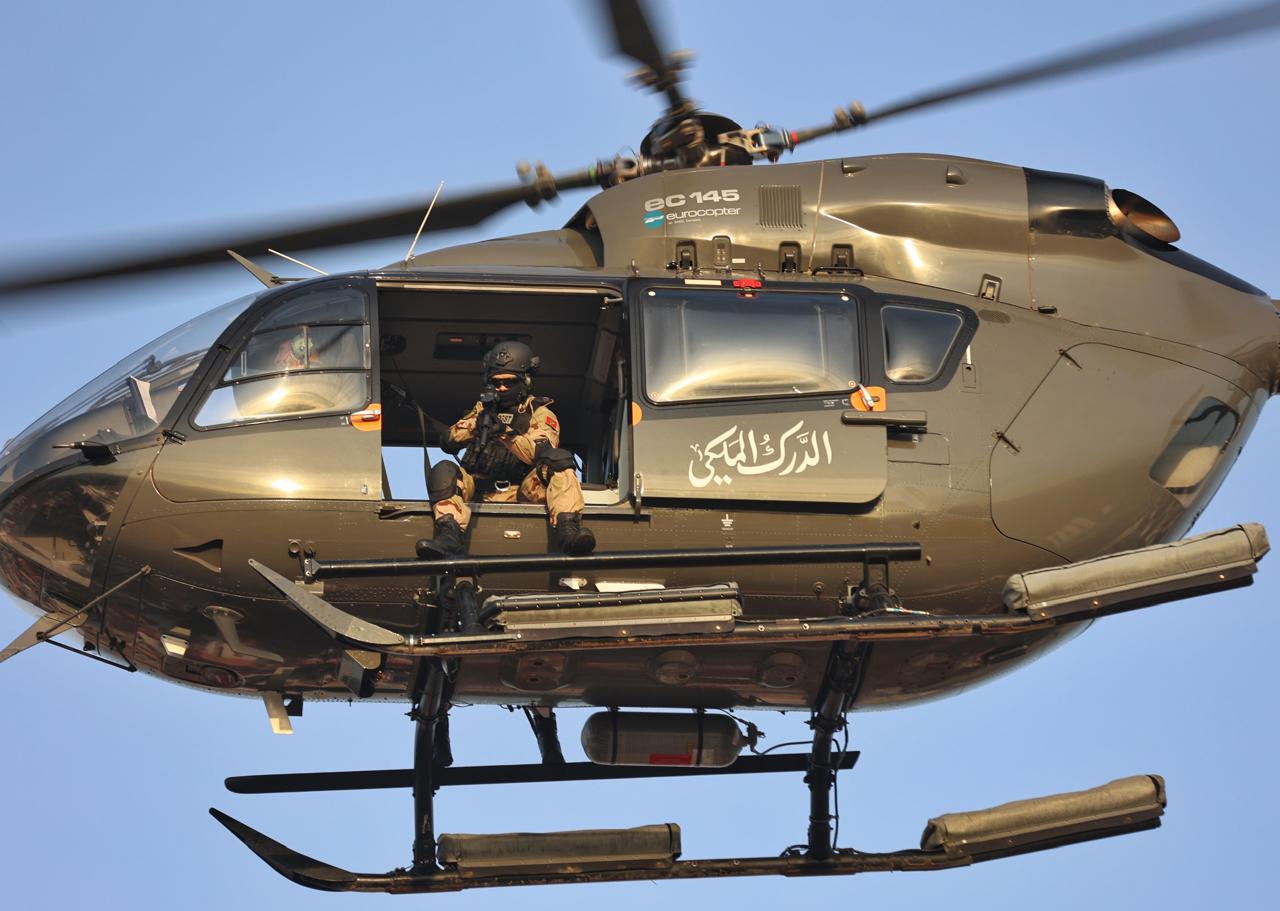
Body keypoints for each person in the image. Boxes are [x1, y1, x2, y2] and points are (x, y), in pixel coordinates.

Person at [417, 341, 596, 557]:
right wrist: (476, 425)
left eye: (509, 383)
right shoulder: (481, 409)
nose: (501, 388)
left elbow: (538, 452)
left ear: (525, 381)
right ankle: (449, 535)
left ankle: (568, 530)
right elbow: (449, 441)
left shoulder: (539, 412)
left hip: (522, 491)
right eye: (496, 382)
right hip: (479, 490)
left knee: (559, 461)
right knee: (444, 470)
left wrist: (505, 432)